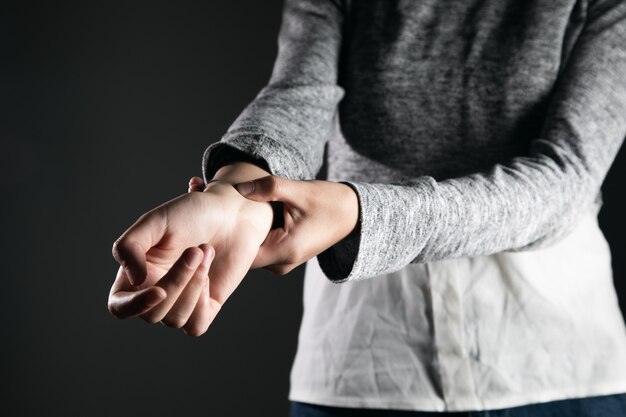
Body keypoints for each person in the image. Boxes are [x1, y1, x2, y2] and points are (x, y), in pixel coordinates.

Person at [108, 0, 626, 415]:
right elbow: (299, 95)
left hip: (556, 364)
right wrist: (234, 195)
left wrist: (363, 214)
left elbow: (565, 176)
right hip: (364, 363)